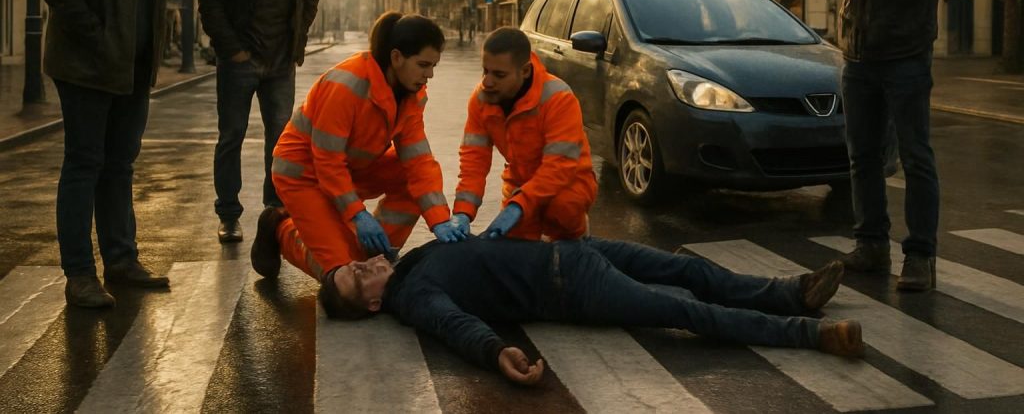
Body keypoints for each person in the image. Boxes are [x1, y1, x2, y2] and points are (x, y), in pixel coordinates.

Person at [250, 231, 860, 383]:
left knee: (686, 267)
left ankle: (788, 291)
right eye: (358, 281)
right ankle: (811, 332)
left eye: (350, 267)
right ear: (375, 304)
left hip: (571, 251)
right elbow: (454, 326)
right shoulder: (414, 297)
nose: (359, 266)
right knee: (686, 311)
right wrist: (497, 353)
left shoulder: (409, 264)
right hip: (576, 289)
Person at [40, 0, 179, 308]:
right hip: (86, 63)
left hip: (134, 65)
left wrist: (155, 48)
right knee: (84, 164)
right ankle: (79, 274)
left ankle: (121, 260)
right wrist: (98, 36)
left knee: (120, 166)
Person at [817, 0, 951, 291]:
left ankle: (920, 258)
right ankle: (871, 245)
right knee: (862, 157)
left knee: (916, 157)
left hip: (907, 55)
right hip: (858, 55)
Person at [255, 12, 466, 295]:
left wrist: (439, 218)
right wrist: (356, 215)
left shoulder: (413, 94)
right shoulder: (346, 85)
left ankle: (377, 253)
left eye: (433, 66)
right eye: (423, 65)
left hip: (350, 168)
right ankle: (279, 227)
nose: (429, 74)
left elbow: (418, 161)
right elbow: (327, 162)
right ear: (396, 58)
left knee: (367, 263)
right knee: (344, 280)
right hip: (304, 174)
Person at [198, 0, 322, 243]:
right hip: (240, 60)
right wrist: (233, 49)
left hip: (281, 62)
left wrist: (295, 42)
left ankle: (274, 211)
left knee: (282, 141)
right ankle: (229, 214)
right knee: (231, 136)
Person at [451, 27, 596, 241]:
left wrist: (519, 205)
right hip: (519, 182)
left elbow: (559, 166)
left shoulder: (558, 98)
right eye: (485, 71)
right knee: (517, 248)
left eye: (499, 75)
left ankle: (578, 238)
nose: (488, 82)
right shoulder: (482, 99)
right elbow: (474, 161)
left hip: (569, 183)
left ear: (525, 71)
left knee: (562, 211)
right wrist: (462, 212)